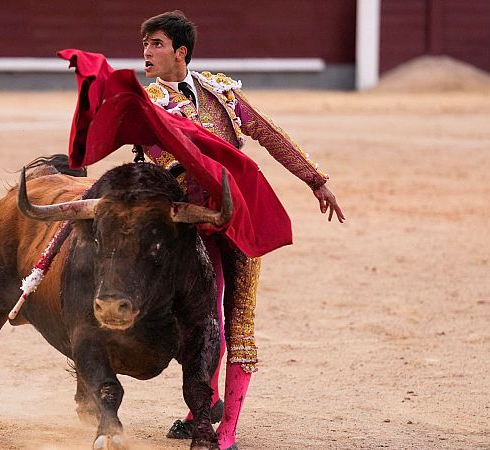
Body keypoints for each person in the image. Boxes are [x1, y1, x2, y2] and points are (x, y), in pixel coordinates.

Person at [138, 10, 344, 450]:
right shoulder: (149, 105)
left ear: (180, 51)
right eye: (144, 45)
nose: (146, 53)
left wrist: (316, 179)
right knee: (201, 318)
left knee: (239, 323)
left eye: (155, 44)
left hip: (240, 218)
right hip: (192, 225)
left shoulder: (221, 93)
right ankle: (203, 408)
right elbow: (158, 155)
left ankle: (226, 431)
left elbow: (268, 135)